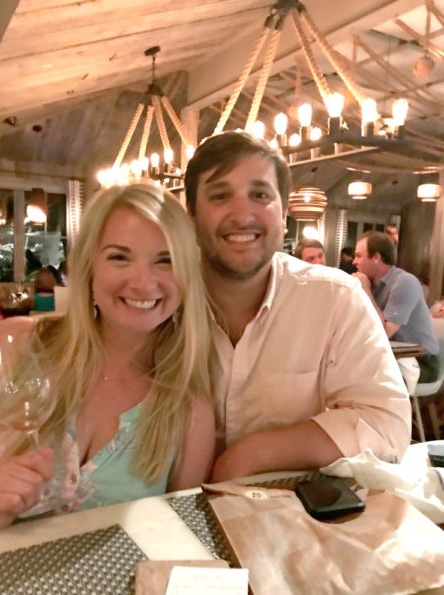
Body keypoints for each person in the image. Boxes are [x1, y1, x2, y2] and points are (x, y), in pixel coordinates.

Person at [0, 182, 215, 530]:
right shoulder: (13, 344)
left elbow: (180, 536)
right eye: (119, 257)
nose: (143, 282)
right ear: (88, 267)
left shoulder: (189, 409)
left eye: (166, 260)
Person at [184, 130, 410, 482]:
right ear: (191, 215)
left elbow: (387, 424)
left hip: (291, 505)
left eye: (260, 195)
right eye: (219, 195)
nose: (242, 213)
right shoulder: (160, 302)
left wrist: (251, 454)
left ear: (284, 213)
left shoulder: (334, 298)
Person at [353, 231, 439, 383]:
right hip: (393, 356)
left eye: (359, 256)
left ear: (376, 257)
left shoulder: (404, 282)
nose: (354, 262)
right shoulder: (372, 284)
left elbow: (383, 333)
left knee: (363, 377)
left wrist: (365, 291)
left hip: (422, 361)